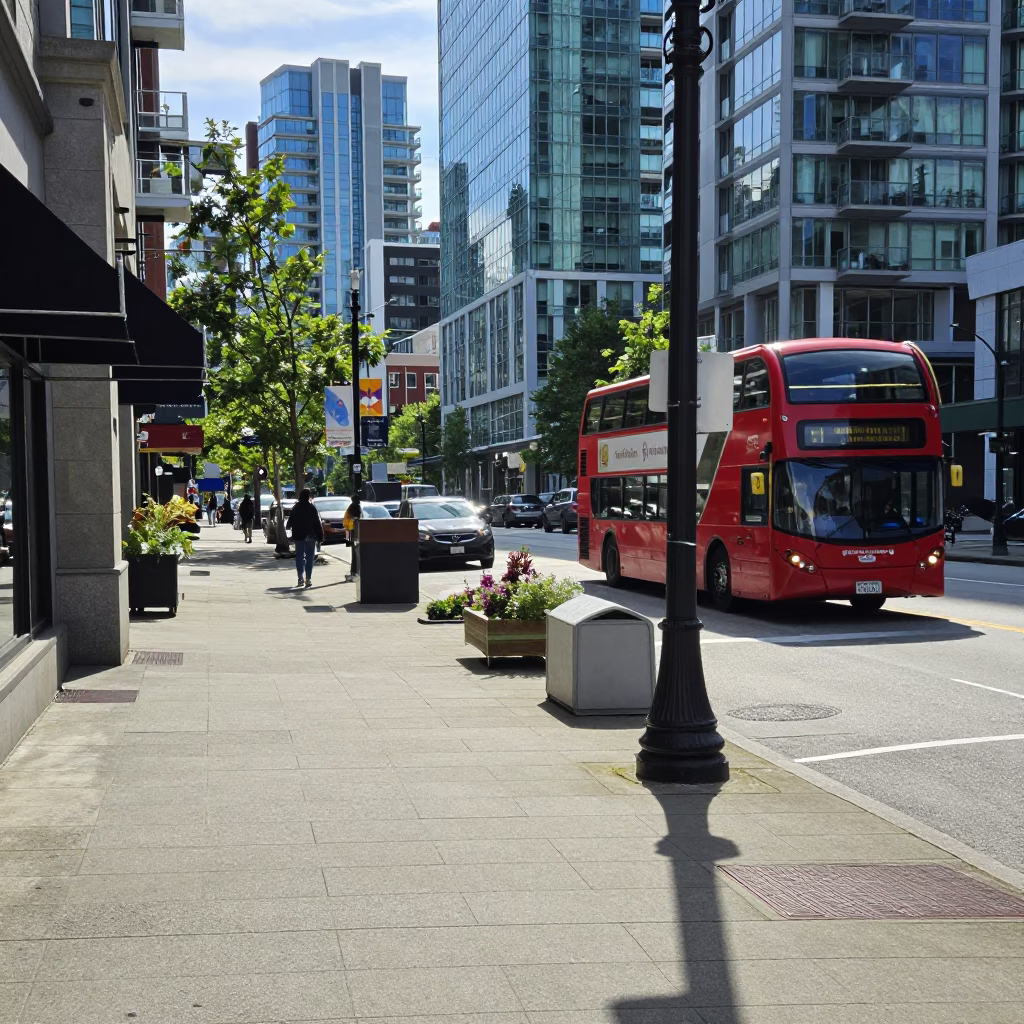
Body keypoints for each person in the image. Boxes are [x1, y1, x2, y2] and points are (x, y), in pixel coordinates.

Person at [287, 488, 324, 588]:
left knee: (299, 556)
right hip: (310, 536)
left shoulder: (296, 508)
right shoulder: (311, 508)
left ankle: (300, 578)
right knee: (309, 557)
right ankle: (308, 578)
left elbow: (289, 523)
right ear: (308, 496)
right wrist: (320, 536)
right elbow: (317, 523)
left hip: (298, 536)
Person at [343, 494, 361, 582]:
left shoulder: (350, 507)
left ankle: (354, 570)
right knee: (356, 553)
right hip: (354, 533)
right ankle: (355, 570)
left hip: (349, 533)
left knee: (354, 552)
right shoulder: (356, 507)